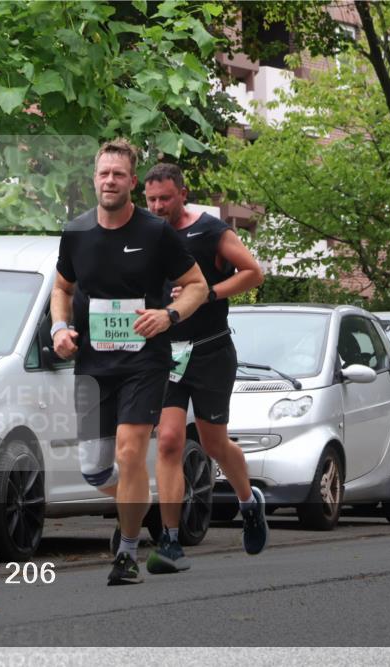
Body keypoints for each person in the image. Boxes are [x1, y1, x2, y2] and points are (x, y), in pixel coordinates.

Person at [52, 139, 208, 585]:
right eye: (104, 173)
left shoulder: (155, 233)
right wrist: (59, 329)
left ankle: (126, 552)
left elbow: (196, 284)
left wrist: (169, 314)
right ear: (94, 178)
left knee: (130, 449)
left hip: (144, 360)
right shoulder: (77, 232)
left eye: (118, 174)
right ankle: (136, 506)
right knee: (94, 468)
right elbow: (62, 288)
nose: (110, 181)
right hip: (93, 365)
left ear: (131, 181)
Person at [142, 163, 268, 575]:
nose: (158, 206)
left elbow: (253, 273)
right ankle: (171, 541)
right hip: (167, 351)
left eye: (165, 198)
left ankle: (249, 503)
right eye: (151, 199)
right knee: (169, 442)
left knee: (214, 444)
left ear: (182, 193)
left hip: (210, 351)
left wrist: (209, 293)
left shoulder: (209, 231)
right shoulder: (145, 233)